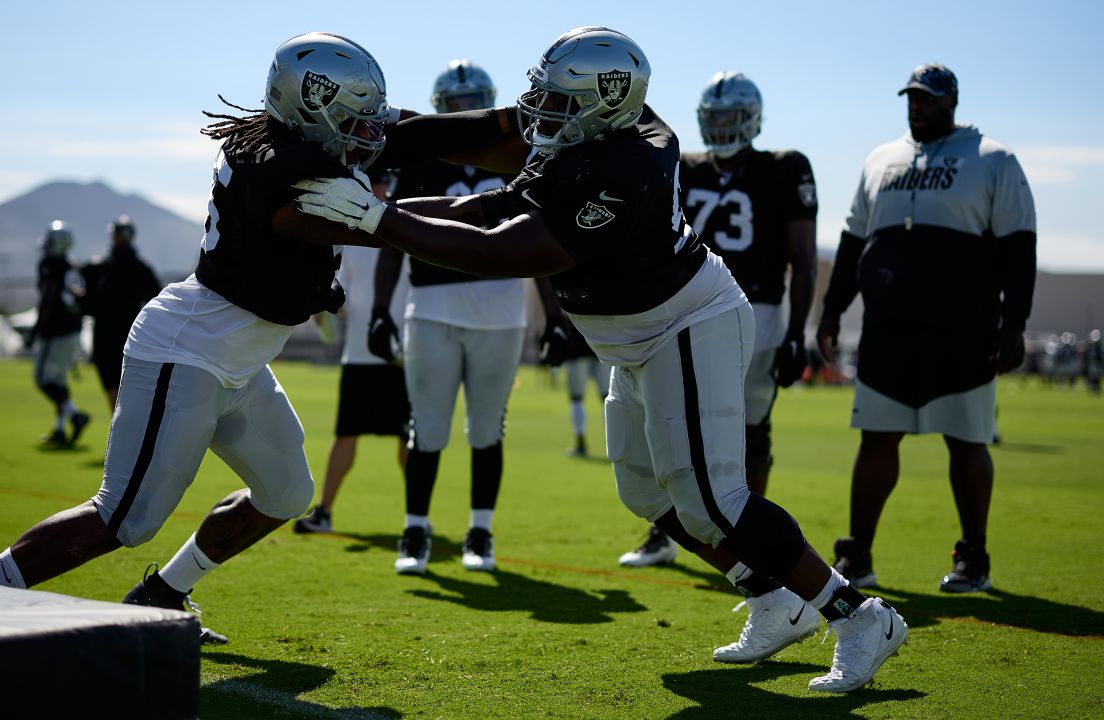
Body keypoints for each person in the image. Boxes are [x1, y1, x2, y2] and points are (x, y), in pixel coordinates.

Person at [292, 26, 907, 693]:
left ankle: (858, 615)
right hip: (637, 336)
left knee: (715, 499)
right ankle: (771, 597)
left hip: (685, 324)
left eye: (556, 100)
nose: (539, 112)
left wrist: (377, 221)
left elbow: (504, 249)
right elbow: (490, 193)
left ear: (604, 102)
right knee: (643, 491)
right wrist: (383, 153)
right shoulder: (597, 135)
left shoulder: (622, 169)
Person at [0, 31, 480, 645]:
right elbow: (391, 223)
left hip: (237, 361)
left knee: (287, 493)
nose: (365, 131)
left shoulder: (279, 145)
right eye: (352, 116)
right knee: (124, 517)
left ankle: (163, 593)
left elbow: (309, 229)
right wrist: (497, 208)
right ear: (308, 106)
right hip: (186, 351)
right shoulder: (290, 165)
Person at [817, 64, 1036, 594]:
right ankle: (859, 555)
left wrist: (1015, 324)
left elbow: (1019, 246)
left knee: (966, 439)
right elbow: (851, 243)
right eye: (912, 98)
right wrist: (830, 310)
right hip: (888, 329)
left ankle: (973, 558)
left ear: (952, 101)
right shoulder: (880, 159)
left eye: (929, 99)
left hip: (963, 331)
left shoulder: (993, 160)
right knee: (876, 438)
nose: (918, 106)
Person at [618, 71, 817, 567]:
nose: (723, 126)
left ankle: (748, 540)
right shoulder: (684, 164)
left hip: (761, 311)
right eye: (715, 117)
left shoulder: (784, 167)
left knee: (748, 430)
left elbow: (804, 257)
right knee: (663, 423)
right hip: (688, 307)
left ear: (751, 118)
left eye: (731, 116)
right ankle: (667, 535)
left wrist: (797, 332)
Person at [368, 59, 560, 575]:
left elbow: (539, 237)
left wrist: (554, 314)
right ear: (441, 108)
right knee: (426, 429)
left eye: (470, 103)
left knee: (486, 430)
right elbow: (390, 237)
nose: (463, 112)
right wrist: (381, 308)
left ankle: (481, 531)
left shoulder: (522, 158)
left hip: (499, 310)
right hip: (431, 308)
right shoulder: (421, 160)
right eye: (454, 105)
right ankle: (415, 530)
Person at [293, 197, 412, 534]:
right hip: (359, 354)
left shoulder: (411, 229)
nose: (381, 187)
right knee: (345, 434)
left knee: (410, 440)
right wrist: (326, 308)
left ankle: (418, 520)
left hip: (404, 355)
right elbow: (338, 293)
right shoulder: (351, 235)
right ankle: (324, 513)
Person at [79, 216, 163, 409]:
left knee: (111, 385)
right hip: (133, 333)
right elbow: (158, 300)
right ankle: (126, 427)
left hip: (105, 334)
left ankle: (120, 428)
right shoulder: (141, 268)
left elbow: (88, 303)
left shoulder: (100, 268)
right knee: (127, 384)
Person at [31, 221, 91, 446]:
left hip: (56, 330)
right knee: (59, 381)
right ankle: (59, 428)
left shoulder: (51, 264)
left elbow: (48, 299)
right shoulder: (73, 265)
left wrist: (37, 330)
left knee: (43, 380)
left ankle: (75, 415)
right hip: (74, 328)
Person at [561, 322, 609, 458]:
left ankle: (580, 443)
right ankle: (614, 443)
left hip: (578, 349)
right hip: (601, 347)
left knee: (577, 398)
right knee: (607, 399)